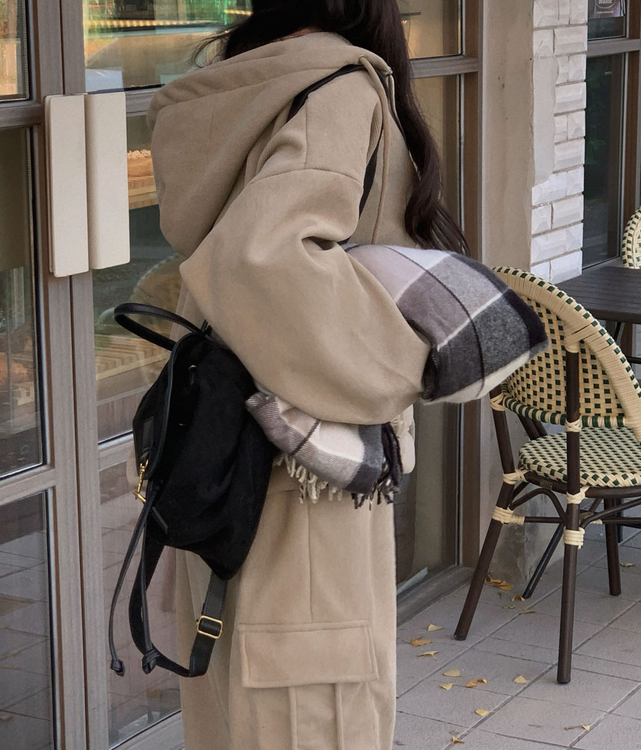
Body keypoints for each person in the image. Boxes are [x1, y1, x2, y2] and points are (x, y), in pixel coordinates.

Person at [145, 2, 468, 747]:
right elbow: (264, 259)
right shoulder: (337, 88)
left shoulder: (244, 82)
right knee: (316, 714)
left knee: (241, 704)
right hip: (302, 468)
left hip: (224, 454)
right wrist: (407, 360)